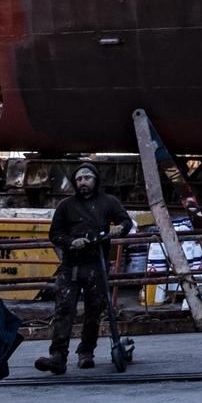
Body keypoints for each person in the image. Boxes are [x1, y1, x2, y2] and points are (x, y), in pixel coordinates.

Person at [36, 160, 132, 373]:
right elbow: (55, 234)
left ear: (95, 180)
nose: (83, 182)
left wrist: (119, 229)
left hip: (96, 265)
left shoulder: (109, 202)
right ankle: (58, 357)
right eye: (79, 179)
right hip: (71, 266)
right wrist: (71, 242)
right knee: (63, 310)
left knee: (93, 311)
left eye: (87, 178)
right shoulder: (66, 206)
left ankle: (86, 353)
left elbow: (126, 222)